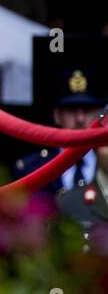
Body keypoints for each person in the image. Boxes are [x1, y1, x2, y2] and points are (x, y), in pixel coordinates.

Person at [15, 68, 106, 228]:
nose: (80, 119)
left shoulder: (106, 163)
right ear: (57, 115)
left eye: (87, 109)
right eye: (71, 110)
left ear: (101, 115)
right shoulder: (31, 168)